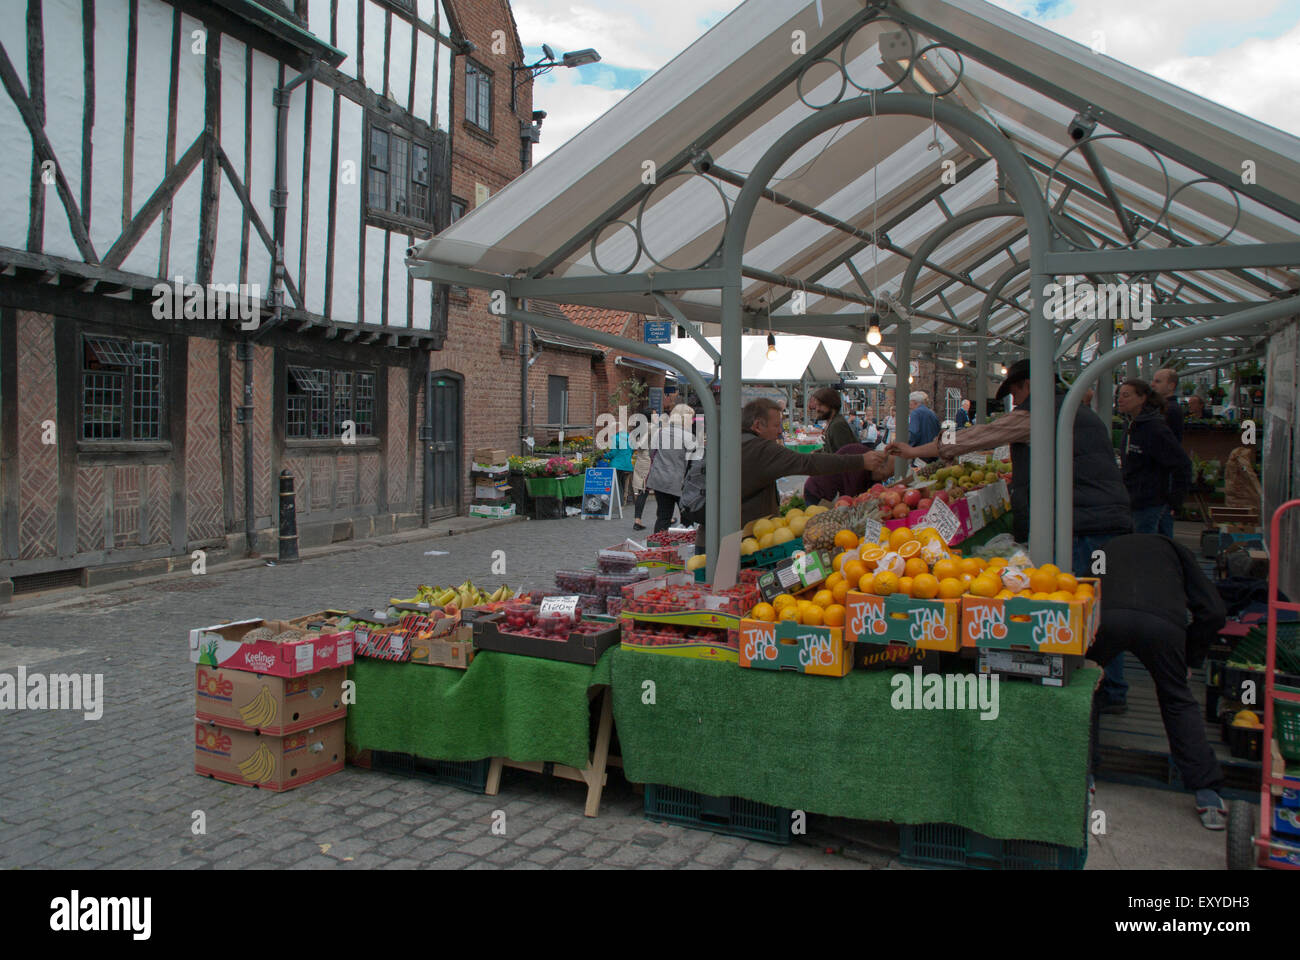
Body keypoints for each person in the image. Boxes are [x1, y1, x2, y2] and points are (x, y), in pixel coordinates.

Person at [887, 358, 1132, 577]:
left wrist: (916, 451)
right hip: (1101, 516)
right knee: (1093, 594)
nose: (1013, 401)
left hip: (1081, 525)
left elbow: (974, 436)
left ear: (1029, 384)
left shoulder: (1040, 414)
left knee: (1074, 594)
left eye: (1015, 392)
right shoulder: (1074, 410)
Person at [1087, 533, 1229, 829]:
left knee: (1086, 689)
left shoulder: (1107, 546)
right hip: (1163, 625)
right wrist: (1191, 657)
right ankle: (1207, 794)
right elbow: (1214, 611)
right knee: (1176, 698)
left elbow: (1088, 588)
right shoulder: (1178, 551)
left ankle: (1082, 775)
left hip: (1108, 618)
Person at [740, 398, 893, 525]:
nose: (780, 431)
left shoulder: (740, 443)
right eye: (776, 425)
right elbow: (808, 463)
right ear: (758, 426)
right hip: (750, 533)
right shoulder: (760, 449)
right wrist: (860, 461)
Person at [1116, 378, 1192, 536]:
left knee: (1145, 546)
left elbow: (1181, 463)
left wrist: (1175, 502)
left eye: (1126, 395)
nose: (1120, 399)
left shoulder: (1154, 428)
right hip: (1134, 499)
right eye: (1119, 395)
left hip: (1149, 502)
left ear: (1142, 398)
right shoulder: (1130, 424)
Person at [645, 404, 695, 533]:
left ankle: (657, 545)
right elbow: (692, 461)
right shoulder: (689, 437)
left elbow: (652, 453)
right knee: (687, 518)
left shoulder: (660, 432)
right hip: (680, 482)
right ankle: (684, 545)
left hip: (660, 479)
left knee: (663, 516)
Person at [803, 443, 874, 506]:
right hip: (817, 491)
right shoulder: (862, 464)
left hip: (826, 490)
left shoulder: (870, 461)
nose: (884, 479)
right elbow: (849, 497)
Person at [809, 387, 857, 453]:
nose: (817, 409)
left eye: (820, 405)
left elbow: (843, 456)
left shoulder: (837, 425)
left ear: (831, 405)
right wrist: (817, 452)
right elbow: (831, 450)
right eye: (816, 405)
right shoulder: (833, 422)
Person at [630, 406, 654, 531]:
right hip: (650, 462)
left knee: (641, 492)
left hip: (640, 462)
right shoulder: (652, 428)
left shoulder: (637, 430)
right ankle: (667, 516)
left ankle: (637, 519)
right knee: (661, 491)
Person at [1151, 367, 1184, 442]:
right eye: (1153, 381)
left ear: (1171, 386)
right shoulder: (1162, 406)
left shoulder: (1170, 409)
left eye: (1157, 381)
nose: (1152, 384)